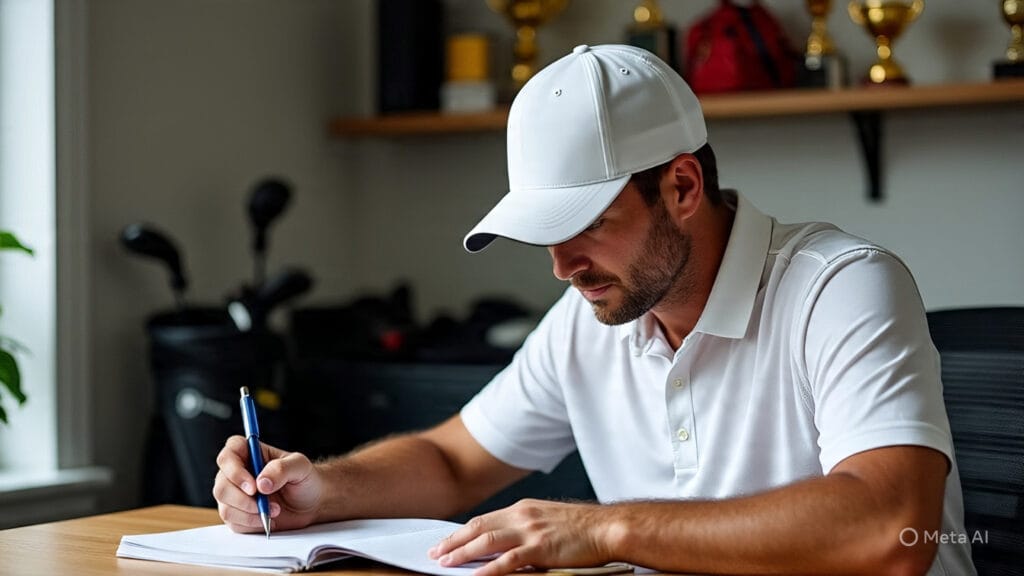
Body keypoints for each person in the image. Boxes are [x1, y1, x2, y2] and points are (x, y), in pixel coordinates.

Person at [214, 44, 975, 576]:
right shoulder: (590, 316)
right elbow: (452, 463)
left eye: (586, 226)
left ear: (682, 187)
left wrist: (605, 527)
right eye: (545, 235)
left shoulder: (841, 287)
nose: (562, 266)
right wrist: (319, 491)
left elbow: (891, 530)